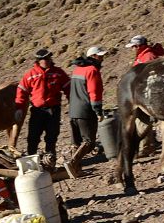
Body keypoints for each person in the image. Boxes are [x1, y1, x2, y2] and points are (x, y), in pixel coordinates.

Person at [15, 49, 70, 163]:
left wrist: (72, 102)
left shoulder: (58, 73)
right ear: (38, 61)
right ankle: (32, 163)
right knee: (33, 138)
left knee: (51, 137)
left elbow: (68, 88)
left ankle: (50, 161)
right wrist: (19, 108)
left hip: (53, 110)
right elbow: (22, 93)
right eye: (44, 59)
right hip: (37, 111)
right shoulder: (30, 75)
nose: (47, 61)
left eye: (49, 58)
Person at [66, 46, 107, 177]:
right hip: (85, 110)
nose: (102, 58)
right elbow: (94, 92)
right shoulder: (92, 70)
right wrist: (98, 111)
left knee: (76, 142)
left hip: (73, 110)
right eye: (100, 56)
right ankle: (72, 163)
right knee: (89, 142)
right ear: (93, 57)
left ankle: (76, 170)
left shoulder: (77, 70)